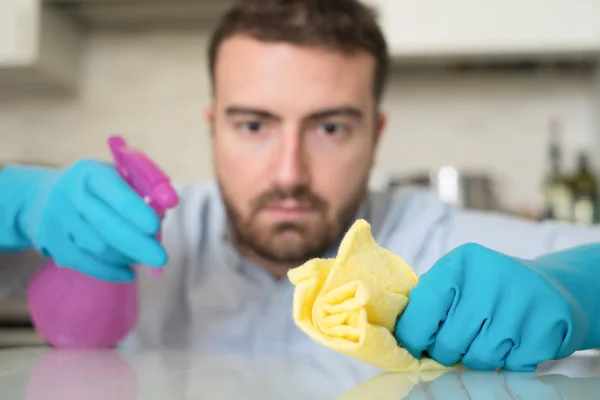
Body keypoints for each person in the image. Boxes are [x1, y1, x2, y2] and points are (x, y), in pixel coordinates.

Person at [1, 0, 599, 374]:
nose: (289, 172)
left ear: (375, 134)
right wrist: (20, 205)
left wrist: (574, 288)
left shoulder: (436, 239)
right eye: (254, 125)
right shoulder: (139, 234)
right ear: (214, 126)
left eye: (330, 127)